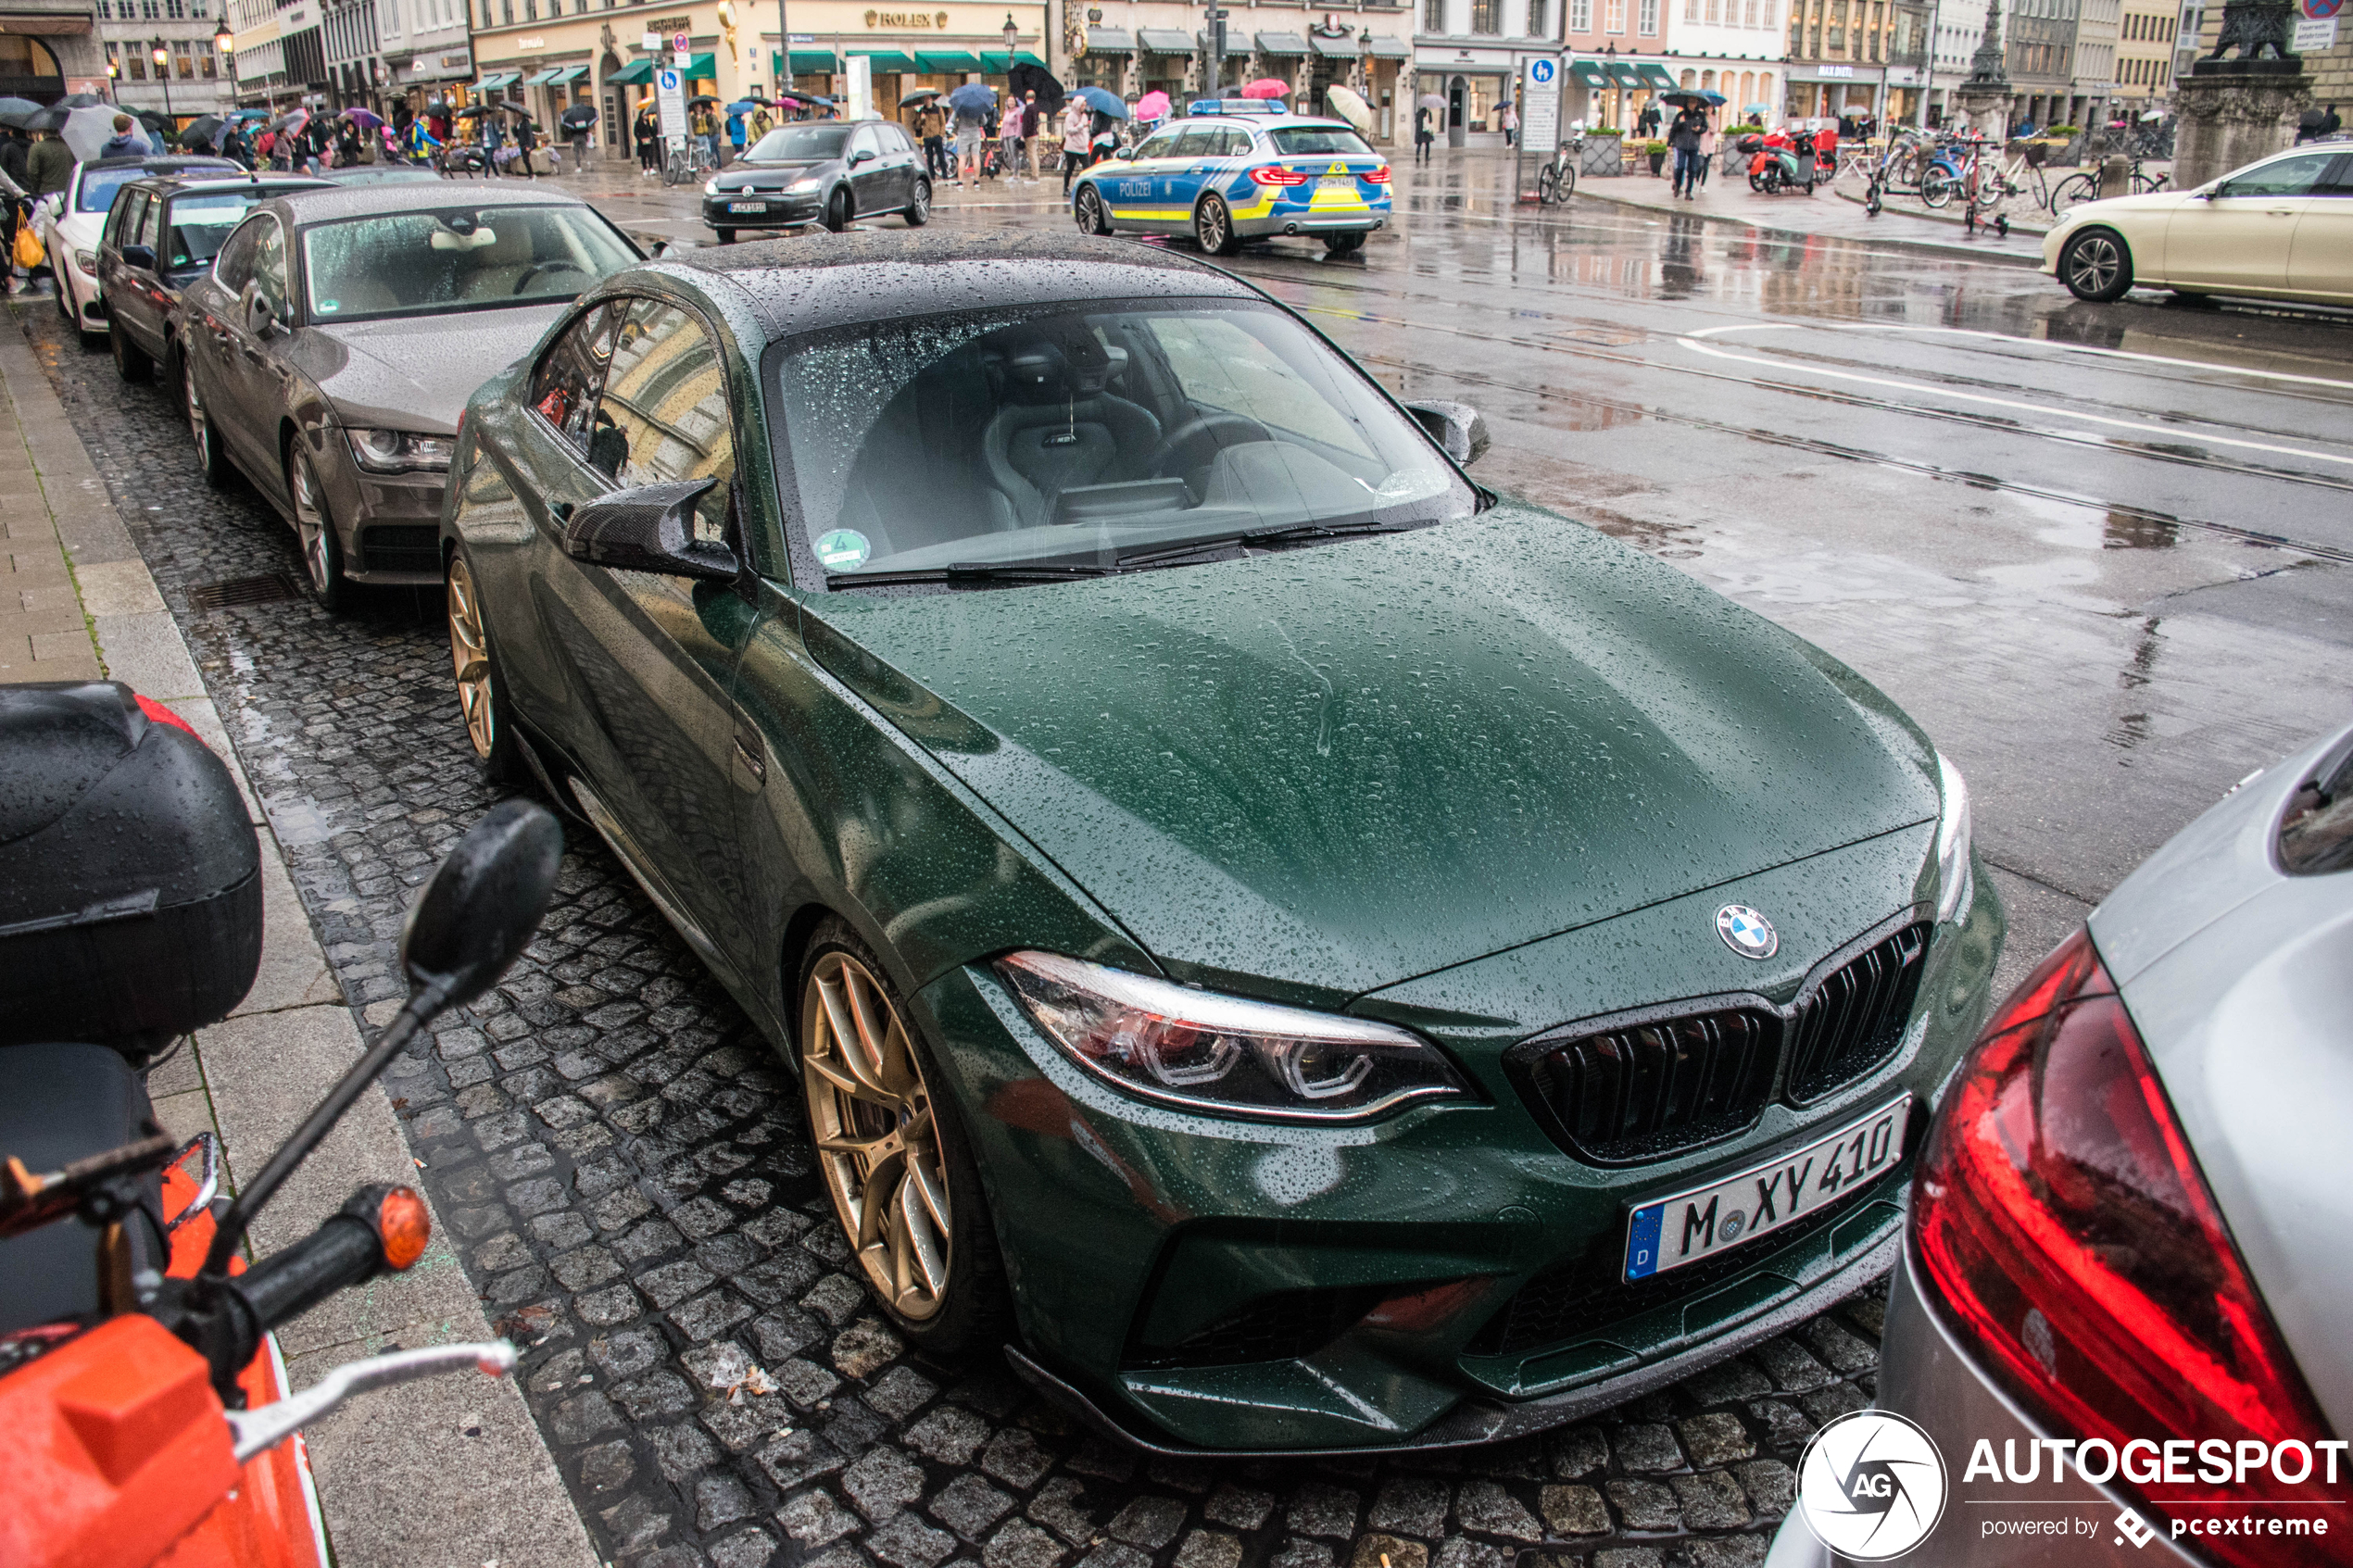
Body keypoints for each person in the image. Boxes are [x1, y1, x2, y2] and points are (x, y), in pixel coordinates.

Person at [1667, 100, 1706, 199]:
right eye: (1690, 103)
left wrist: (1699, 129)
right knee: (1680, 167)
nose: (1692, 105)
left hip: (1693, 145)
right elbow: (1673, 129)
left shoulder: (1700, 115)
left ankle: (1688, 191)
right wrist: (1669, 142)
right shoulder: (1681, 115)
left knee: (1692, 169)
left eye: (1694, 103)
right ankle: (1678, 186)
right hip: (1681, 144)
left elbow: (1705, 127)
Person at [952, 84, 986, 187]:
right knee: (976, 157)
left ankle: (960, 182)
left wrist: (958, 125)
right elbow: (984, 121)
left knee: (962, 157)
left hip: (963, 133)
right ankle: (976, 181)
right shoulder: (978, 107)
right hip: (975, 133)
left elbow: (952, 120)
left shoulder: (960, 107)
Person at [27, 129, 72, 198]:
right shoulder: (68, 147)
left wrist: (36, 188)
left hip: (47, 192)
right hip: (67, 192)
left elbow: (32, 172)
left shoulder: (36, 148)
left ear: (43, 131)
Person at [1061, 95, 1089, 193]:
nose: (1083, 108)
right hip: (1072, 146)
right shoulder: (1070, 116)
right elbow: (1069, 130)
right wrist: (1079, 127)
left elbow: (1085, 131)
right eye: (1082, 105)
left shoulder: (1084, 116)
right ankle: (1066, 188)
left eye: (1084, 105)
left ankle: (1086, 187)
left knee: (1087, 168)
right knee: (1070, 168)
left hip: (1082, 146)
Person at [634, 104, 660, 174]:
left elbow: (651, 131)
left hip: (648, 141)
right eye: (645, 115)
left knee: (650, 155)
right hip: (642, 142)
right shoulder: (638, 123)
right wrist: (640, 139)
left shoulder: (648, 123)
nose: (646, 116)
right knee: (643, 156)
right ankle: (644, 169)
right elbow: (635, 133)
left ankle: (651, 168)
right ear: (642, 115)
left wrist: (652, 137)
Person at [1414, 101, 1434, 165]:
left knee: (1419, 144)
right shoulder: (1428, 113)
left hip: (1419, 131)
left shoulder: (1418, 113)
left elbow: (1416, 121)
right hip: (1426, 131)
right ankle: (1426, 157)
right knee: (1427, 144)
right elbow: (1430, 121)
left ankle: (1417, 155)